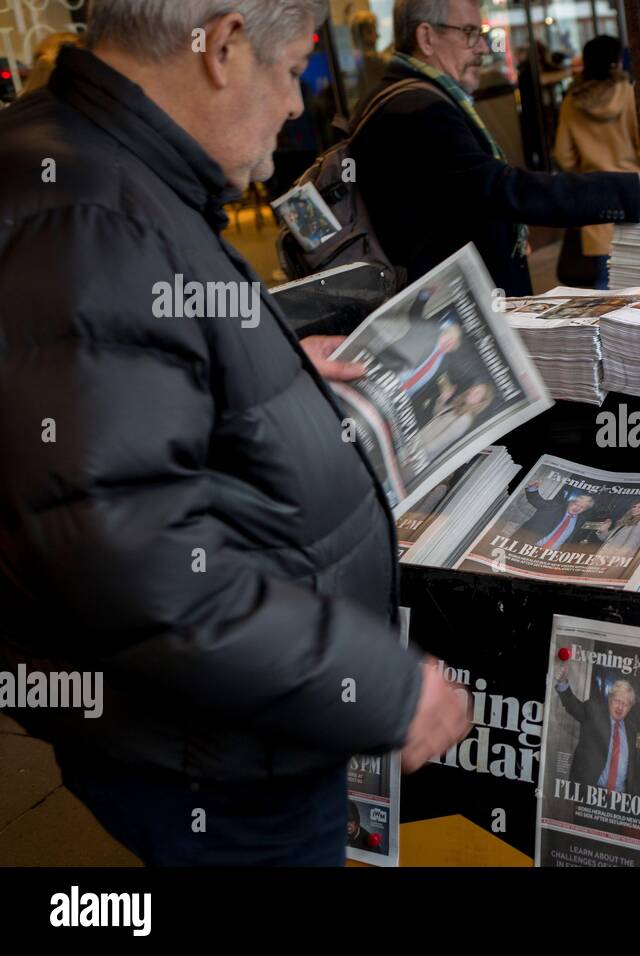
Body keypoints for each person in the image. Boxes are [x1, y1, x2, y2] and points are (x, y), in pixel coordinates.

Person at [0, 0, 471, 867]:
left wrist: (264, 352)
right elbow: (136, 569)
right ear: (222, 46)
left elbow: (120, 352)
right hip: (214, 758)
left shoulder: (87, 167)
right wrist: (384, 686)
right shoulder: (95, 218)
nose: (298, 105)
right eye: (293, 68)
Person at [349, 0, 640, 297]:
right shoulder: (418, 110)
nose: (482, 47)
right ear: (426, 38)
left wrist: (506, 232)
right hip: (448, 312)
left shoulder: (398, 97)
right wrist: (627, 193)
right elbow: (500, 188)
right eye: (469, 33)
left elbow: (456, 200)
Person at [552, 35, 640, 290]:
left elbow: (563, 156)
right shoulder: (629, 95)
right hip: (636, 196)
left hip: (596, 202)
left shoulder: (572, 102)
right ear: (616, 62)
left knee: (605, 283)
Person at [553, 664, 640, 793]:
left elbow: (631, 767)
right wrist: (562, 683)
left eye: (625, 704)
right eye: (617, 701)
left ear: (630, 708)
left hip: (619, 798)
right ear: (610, 699)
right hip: (590, 792)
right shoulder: (594, 712)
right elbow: (573, 705)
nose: (620, 707)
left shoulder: (631, 730)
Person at [519, 482, 596, 549]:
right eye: (576, 504)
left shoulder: (581, 520)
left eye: (582, 507)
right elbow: (537, 501)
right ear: (571, 502)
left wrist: (604, 529)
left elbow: (594, 528)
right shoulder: (553, 507)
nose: (577, 508)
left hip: (551, 554)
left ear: (585, 510)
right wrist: (533, 488)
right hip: (529, 545)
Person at [350, 10, 388, 100]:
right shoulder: (370, 58)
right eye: (374, 30)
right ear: (365, 33)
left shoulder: (354, 57)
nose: (378, 36)